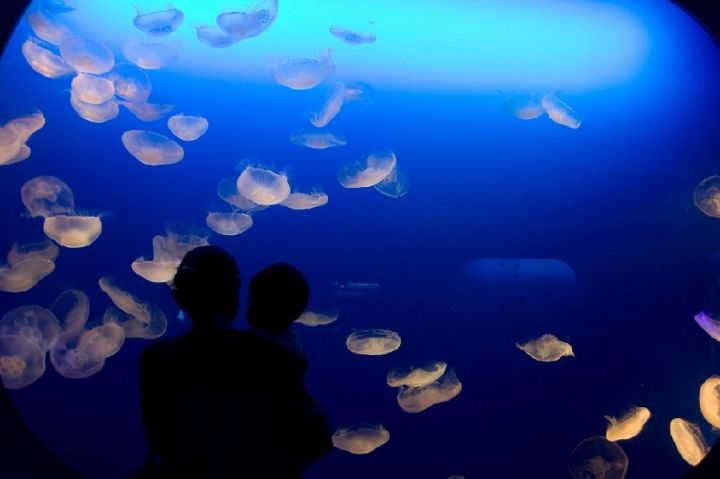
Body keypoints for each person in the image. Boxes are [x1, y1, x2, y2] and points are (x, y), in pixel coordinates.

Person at [139, 246, 332, 478]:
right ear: (235, 296)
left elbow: (161, 446)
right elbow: (317, 441)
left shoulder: (156, 360)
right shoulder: (272, 357)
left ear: (179, 297)